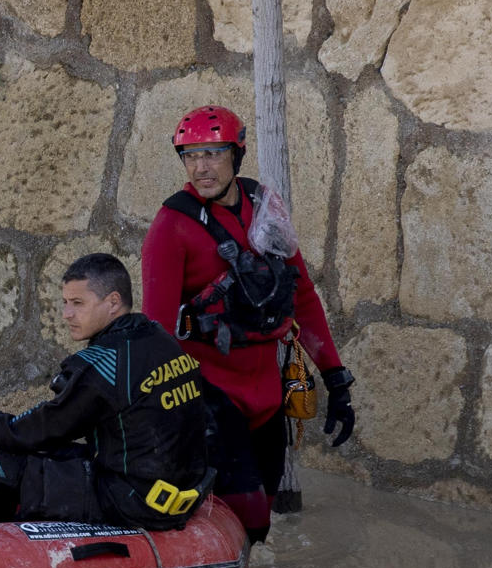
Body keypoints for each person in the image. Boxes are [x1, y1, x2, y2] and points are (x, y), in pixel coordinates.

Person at [140, 105, 353, 545]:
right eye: (190, 155)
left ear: (237, 155)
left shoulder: (265, 206)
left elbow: (303, 296)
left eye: (213, 153)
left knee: (263, 524)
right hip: (210, 393)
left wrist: (336, 379)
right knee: (250, 516)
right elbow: (156, 332)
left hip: (267, 393)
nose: (201, 167)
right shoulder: (171, 226)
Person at [0, 253, 212, 531]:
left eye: (78, 303)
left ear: (113, 303)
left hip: (132, 502)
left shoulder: (104, 363)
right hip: (175, 493)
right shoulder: (160, 339)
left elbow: (51, 423)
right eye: (65, 303)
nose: (66, 314)